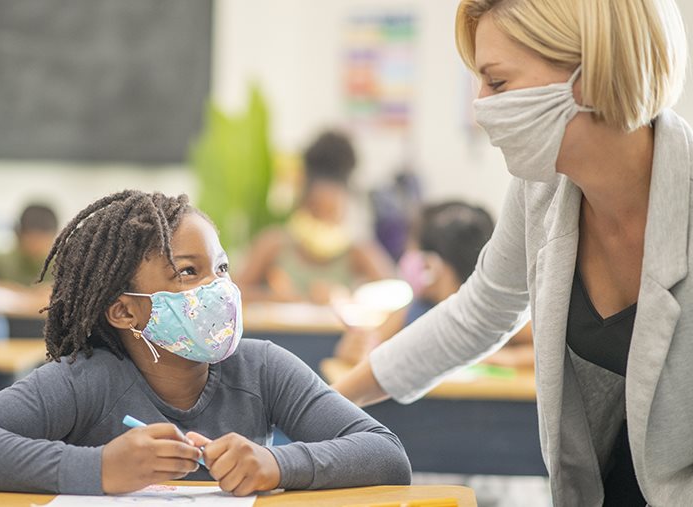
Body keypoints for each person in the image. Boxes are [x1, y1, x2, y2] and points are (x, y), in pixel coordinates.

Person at [333, 0, 692, 504]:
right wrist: (322, 407)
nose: (481, 109)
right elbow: (479, 312)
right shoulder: (541, 190)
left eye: (496, 83)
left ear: (588, 73)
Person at [0, 190, 411, 496]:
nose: (216, 288)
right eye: (187, 273)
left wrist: (276, 463)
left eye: (221, 268)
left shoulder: (261, 368)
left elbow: (386, 455)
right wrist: (100, 468)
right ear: (125, 310)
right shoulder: (89, 378)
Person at [336, 201, 532, 367]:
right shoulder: (414, 312)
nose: (407, 260)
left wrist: (508, 358)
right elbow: (366, 349)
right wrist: (354, 348)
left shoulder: (498, 313)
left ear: (431, 266)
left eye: (413, 251)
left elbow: (549, 349)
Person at [237, 130, 394, 305]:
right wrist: (271, 298)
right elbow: (233, 292)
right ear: (301, 205)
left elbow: (395, 295)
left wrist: (346, 297)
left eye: (332, 212)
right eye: (316, 211)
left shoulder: (357, 252)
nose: (324, 220)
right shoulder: (274, 245)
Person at [0, 204, 58, 316]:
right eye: (32, 239)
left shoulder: (62, 265)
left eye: (43, 240)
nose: (37, 246)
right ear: (19, 235)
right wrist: (25, 294)